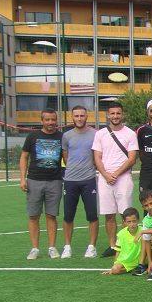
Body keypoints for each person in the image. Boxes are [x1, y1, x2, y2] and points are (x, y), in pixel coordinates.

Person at [92, 102, 139, 258]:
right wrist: (105, 174)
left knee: (125, 214)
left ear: (122, 114)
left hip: (123, 178)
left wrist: (116, 174)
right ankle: (112, 245)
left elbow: (132, 158)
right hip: (105, 179)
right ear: (108, 115)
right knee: (109, 214)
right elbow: (97, 157)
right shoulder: (100, 134)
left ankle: (124, 244)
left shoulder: (130, 134)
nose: (115, 116)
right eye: (112, 113)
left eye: (118, 113)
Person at [20, 108, 64, 260]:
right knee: (33, 216)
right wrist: (22, 178)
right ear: (42, 121)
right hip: (34, 180)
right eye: (47, 120)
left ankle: (52, 247)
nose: (50, 122)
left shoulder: (61, 137)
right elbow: (24, 157)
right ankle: (35, 248)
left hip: (55, 181)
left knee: (51, 215)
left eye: (53, 119)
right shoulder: (32, 136)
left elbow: (67, 158)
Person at [61, 105, 99, 259]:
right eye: (76, 116)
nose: (79, 118)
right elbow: (65, 156)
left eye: (82, 116)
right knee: (68, 216)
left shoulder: (95, 134)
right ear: (72, 117)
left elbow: (97, 155)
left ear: (86, 117)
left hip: (89, 180)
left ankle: (91, 247)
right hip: (70, 180)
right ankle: (67, 247)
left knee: (92, 215)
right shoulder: (67, 136)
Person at [102, 208, 142, 276]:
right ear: (124, 222)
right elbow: (118, 251)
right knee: (115, 270)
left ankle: (139, 266)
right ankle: (133, 268)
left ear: (138, 220)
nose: (132, 224)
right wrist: (114, 265)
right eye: (129, 222)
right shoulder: (121, 234)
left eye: (134, 221)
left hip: (140, 259)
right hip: (125, 260)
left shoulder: (143, 231)